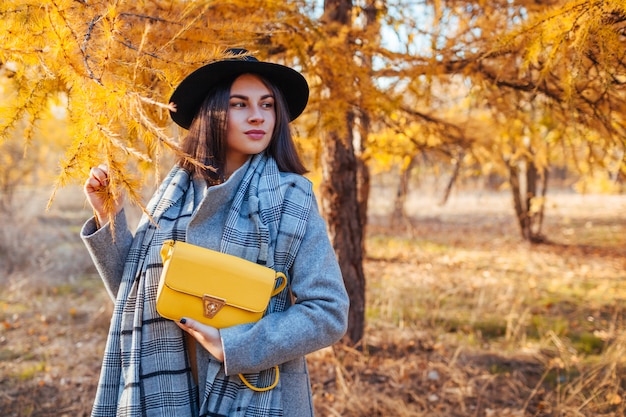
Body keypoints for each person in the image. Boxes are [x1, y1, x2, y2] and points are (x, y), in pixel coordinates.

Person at [81, 48, 349, 417]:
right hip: (164, 391)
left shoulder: (292, 198)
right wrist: (108, 216)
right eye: (240, 104)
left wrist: (237, 344)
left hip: (258, 394)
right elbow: (136, 293)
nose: (258, 116)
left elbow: (328, 311)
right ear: (212, 113)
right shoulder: (170, 196)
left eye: (267, 105)